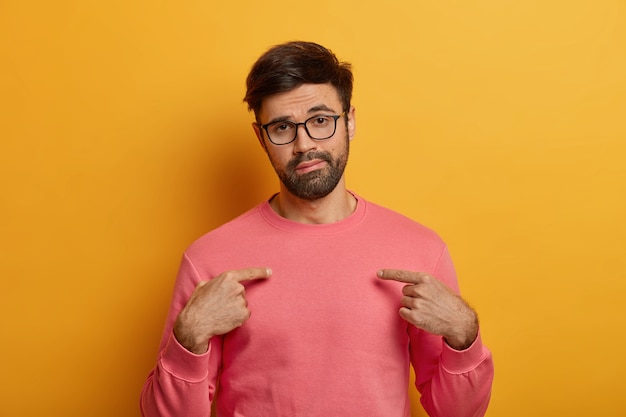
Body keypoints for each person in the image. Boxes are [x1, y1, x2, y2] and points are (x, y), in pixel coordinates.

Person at [140, 41, 494, 417]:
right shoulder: (208, 259)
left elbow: (458, 413)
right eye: (281, 127)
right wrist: (188, 338)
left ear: (350, 121)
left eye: (321, 120)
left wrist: (464, 335)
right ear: (261, 138)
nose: (304, 144)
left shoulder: (421, 250)